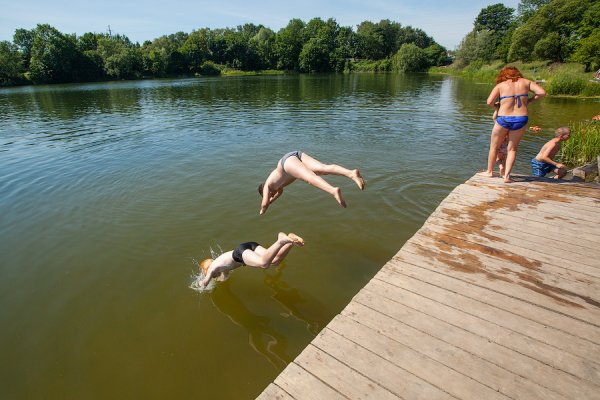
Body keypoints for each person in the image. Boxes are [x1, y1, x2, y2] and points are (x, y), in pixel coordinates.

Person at [478, 66, 546, 183]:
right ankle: (507, 176)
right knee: (512, 149)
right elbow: (542, 93)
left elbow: (489, 102)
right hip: (521, 118)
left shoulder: (501, 85)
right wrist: (529, 101)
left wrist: (498, 105)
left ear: (503, 75)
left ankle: (489, 172)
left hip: (503, 118)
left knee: (494, 147)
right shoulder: (526, 82)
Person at [258, 151, 365, 214]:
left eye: (269, 195)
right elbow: (278, 194)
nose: (272, 195)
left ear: (264, 191)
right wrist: (272, 201)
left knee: (310, 177)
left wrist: (262, 211)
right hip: (295, 155)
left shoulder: (267, 185)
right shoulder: (278, 188)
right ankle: (351, 173)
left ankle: (333, 191)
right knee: (322, 169)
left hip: (287, 162)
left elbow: (264, 204)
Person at [197, 232, 305, 289]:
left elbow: (204, 282)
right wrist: (221, 282)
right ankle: (289, 240)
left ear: (207, 268)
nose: (213, 277)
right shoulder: (221, 267)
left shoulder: (212, 268)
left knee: (264, 264)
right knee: (275, 261)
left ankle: (280, 241)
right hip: (249, 246)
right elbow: (224, 277)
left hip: (239, 252)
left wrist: (199, 284)